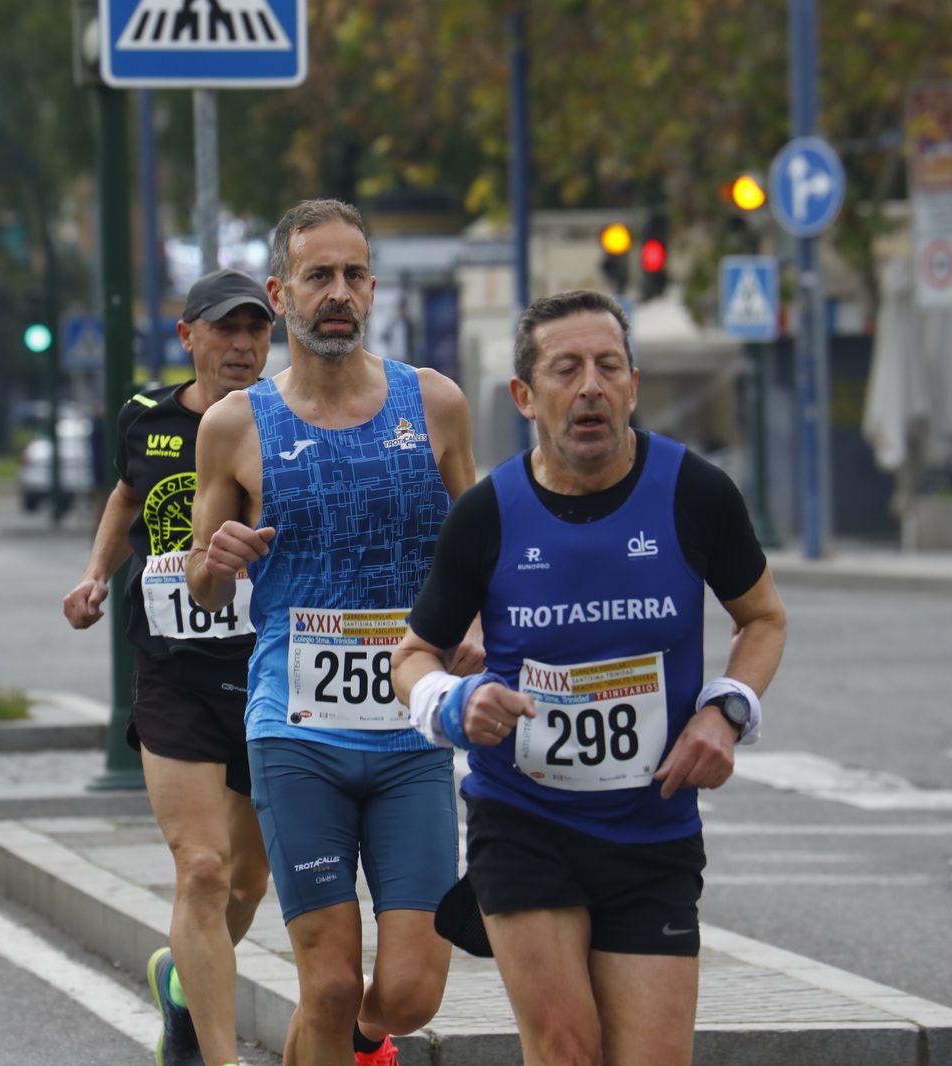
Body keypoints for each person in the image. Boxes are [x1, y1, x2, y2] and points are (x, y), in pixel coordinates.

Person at [390, 289, 788, 1066]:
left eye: (609, 367)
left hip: (654, 830)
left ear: (633, 385)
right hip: (525, 821)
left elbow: (764, 618)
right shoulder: (488, 513)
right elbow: (412, 657)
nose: (590, 388)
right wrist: (455, 701)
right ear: (525, 396)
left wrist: (725, 710)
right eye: (566, 369)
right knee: (567, 1052)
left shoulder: (694, 493)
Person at [187, 199, 479, 1066]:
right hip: (296, 731)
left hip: (408, 729)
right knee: (329, 981)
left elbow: (487, 544)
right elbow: (204, 588)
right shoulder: (235, 425)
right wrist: (220, 557)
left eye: (354, 275)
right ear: (282, 293)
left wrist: (483, 632)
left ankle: (359, 1044)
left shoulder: (434, 404)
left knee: (412, 992)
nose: (338, 293)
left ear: (374, 289)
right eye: (319, 276)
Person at [62, 269, 276, 1066]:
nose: (244, 345)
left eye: (256, 330)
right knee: (204, 867)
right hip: (172, 673)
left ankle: (181, 983)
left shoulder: (285, 421)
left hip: (264, 675)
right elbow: (126, 496)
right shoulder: (145, 417)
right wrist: (95, 574)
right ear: (188, 337)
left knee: (251, 882)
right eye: (226, 330)